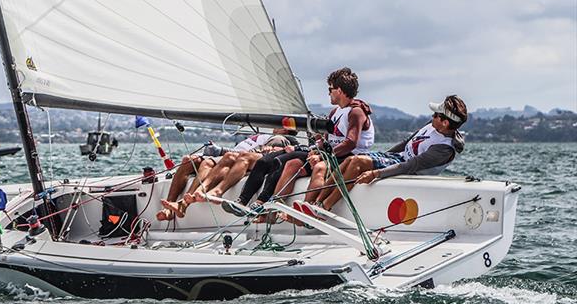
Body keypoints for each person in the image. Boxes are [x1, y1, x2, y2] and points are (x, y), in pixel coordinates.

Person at [313, 95, 468, 212]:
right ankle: (317, 201)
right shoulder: (433, 125)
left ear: (445, 123)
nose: (432, 116)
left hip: (408, 171)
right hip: (397, 159)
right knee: (351, 160)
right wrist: (379, 157)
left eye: (435, 115)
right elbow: (407, 142)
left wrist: (375, 173)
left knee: (358, 162)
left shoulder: (444, 149)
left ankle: (325, 207)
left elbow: (410, 166)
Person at [267, 67, 374, 211]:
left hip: (350, 156)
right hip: (333, 154)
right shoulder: (335, 112)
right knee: (292, 164)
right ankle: (274, 209)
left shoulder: (356, 112)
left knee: (319, 167)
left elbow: (350, 143)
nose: (328, 93)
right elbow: (325, 140)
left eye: (330, 89)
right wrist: (315, 150)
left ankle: (306, 210)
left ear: (339, 91)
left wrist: (323, 156)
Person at [160, 128, 297, 218]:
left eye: (287, 127)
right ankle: (170, 206)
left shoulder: (279, 139)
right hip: (231, 156)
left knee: (209, 162)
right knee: (188, 160)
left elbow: (263, 156)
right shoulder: (261, 136)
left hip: (234, 159)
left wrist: (220, 150)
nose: (282, 127)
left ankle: (183, 203)